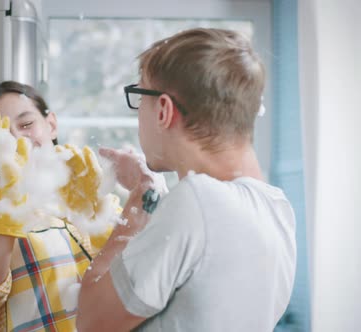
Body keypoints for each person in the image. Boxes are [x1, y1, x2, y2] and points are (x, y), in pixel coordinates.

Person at [76, 28, 297, 331]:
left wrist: (143, 196)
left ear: (164, 110)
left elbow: (92, 320)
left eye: (140, 96)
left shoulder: (197, 201)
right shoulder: (276, 207)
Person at [0, 81, 111, 332]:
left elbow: (115, 277)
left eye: (26, 124)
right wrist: (8, 204)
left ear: (51, 124)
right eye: (2, 131)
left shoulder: (73, 186)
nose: (17, 137)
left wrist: (100, 215)